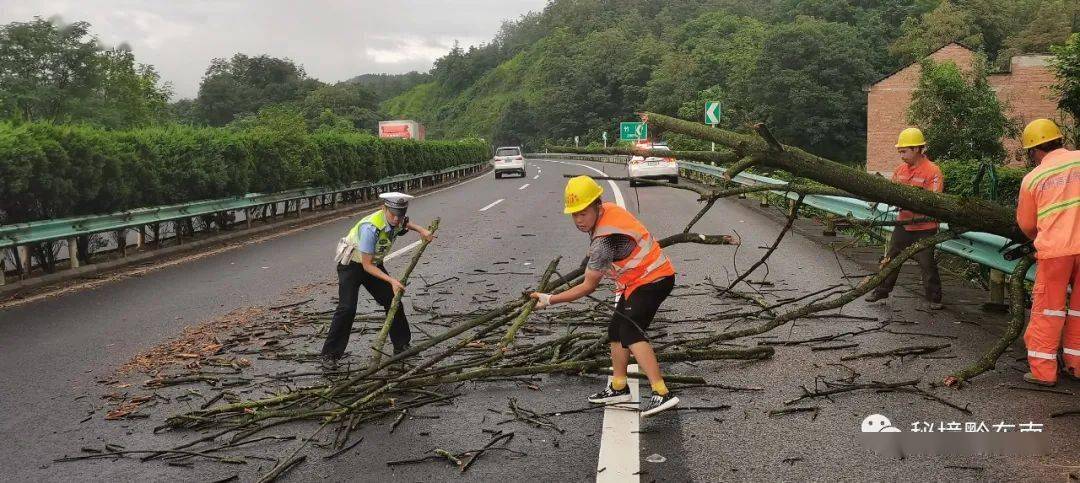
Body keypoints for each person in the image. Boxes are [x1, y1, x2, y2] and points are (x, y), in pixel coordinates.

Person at [531, 176, 732, 416]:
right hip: (639, 281)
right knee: (615, 331)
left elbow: (587, 288)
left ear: (597, 204)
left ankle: (661, 392)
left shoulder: (602, 244)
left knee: (630, 331)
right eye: (574, 215)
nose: (578, 220)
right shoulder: (609, 212)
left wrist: (550, 299)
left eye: (582, 213)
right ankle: (618, 386)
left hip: (653, 280)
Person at [321, 192, 435, 365]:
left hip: (373, 264)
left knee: (393, 300)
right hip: (353, 265)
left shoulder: (398, 218)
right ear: (384, 209)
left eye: (400, 215)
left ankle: (402, 346)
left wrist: (422, 230)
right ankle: (330, 355)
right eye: (393, 215)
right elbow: (366, 266)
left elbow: (405, 223)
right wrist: (392, 281)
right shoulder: (370, 228)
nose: (397, 219)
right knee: (347, 308)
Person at [1015, 118, 1080, 387]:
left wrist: (1037, 240)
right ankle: (1076, 366)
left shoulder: (1033, 178)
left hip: (1055, 253)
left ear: (1033, 151)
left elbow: (1027, 225)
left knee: (1048, 310)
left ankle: (1043, 372)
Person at [864, 127, 945, 310]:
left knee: (927, 263)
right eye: (900, 151)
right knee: (891, 258)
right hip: (903, 224)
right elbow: (891, 192)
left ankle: (934, 298)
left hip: (925, 227)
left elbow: (934, 200)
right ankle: (882, 290)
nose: (901, 155)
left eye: (904, 151)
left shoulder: (933, 171)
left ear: (917, 149)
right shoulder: (900, 170)